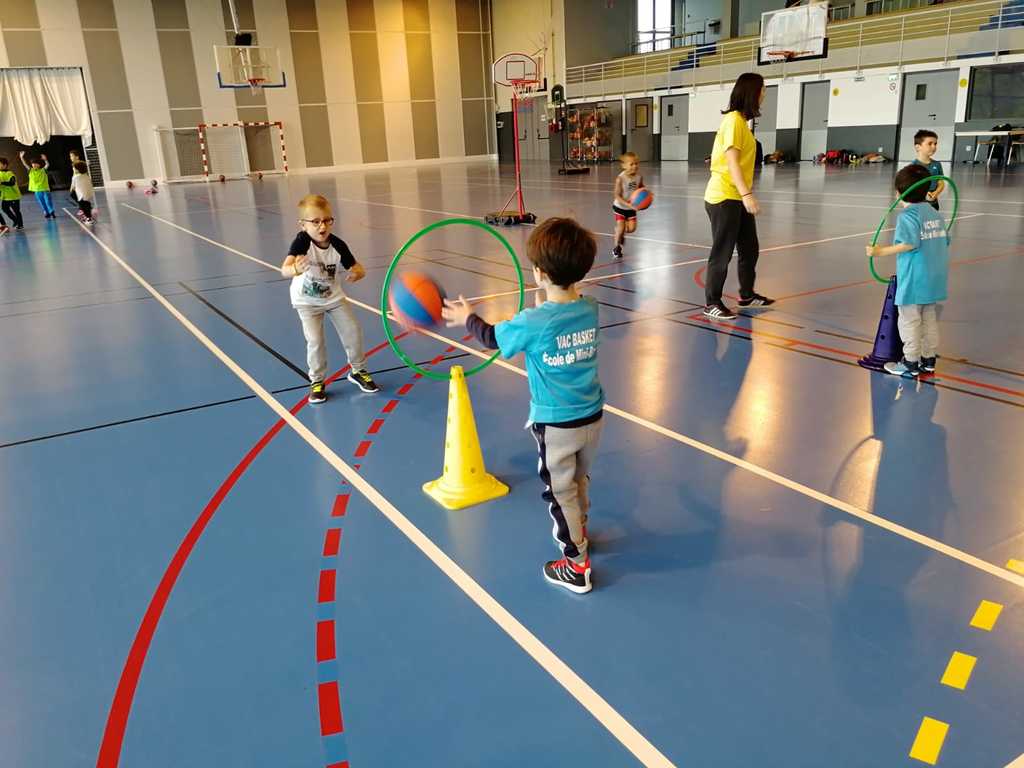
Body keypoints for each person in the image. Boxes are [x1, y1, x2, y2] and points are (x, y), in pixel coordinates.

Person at [442, 218, 603, 594]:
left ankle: (576, 565)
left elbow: (492, 338)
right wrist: (544, 307)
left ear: (539, 273)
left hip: (556, 423)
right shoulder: (590, 307)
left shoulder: (534, 321)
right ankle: (579, 531)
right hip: (592, 416)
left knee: (559, 492)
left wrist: (466, 317)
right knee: (578, 480)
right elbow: (559, 322)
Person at [280, 194, 379, 403]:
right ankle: (317, 381)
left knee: (352, 331)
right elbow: (284, 269)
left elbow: (358, 267)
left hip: (333, 298)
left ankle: (358, 371)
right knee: (315, 341)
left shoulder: (337, 244)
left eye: (327, 220)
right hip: (306, 302)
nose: (322, 226)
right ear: (303, 225)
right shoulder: (302, 242)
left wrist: (358, 273)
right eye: (315, 222)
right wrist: (296, 268)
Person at [866, 164, 950, 378]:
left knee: (909, 320)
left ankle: (911, 362)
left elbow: (909, 243)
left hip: (914, 279)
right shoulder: (935, 213)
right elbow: (945, 240)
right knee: (929, 319)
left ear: (898, 193)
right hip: (934, 278)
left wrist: (879, 251)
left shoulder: (907, 216)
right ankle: (928, 360)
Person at [703, 72, 774, 320]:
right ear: (752, 92)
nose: (764, 94)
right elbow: (732, 162)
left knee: (749, 248)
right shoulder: (733, 121)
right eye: (762, 89)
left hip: (737, 196)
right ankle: (711, 302)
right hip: (725, 197)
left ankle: (746, 295)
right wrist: (747, 194)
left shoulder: (741, 123)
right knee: (722, 252)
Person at [611, 151, 644, 259]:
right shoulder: (620, 179)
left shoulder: (639, 177)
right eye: (631, 164)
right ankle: (616, 248)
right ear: (624, 166)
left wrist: (647, 194)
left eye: (636, 163)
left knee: (632, 229)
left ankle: (619, 231)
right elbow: (617, 196)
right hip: (620, 207)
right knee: (621, 226)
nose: (634, 166)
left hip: (631, 208)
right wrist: (628, 205)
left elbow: (641, 188)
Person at [912, 129, 944, 211]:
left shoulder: (937, 164)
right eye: (930, 144)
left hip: (933, 203)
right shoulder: (913, 166)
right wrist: (924, 193)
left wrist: (936, 192)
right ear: (918, 147)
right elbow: (911, 186)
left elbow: (941, 182)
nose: (934, 147)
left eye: (935, 144)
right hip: (918, 204)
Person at [19, 151, 55, 219]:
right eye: (33, 164)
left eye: (36, 164)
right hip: (37, 190)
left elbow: (47, 165)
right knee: (42, 202)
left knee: (48, 201)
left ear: (39, 165)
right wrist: (21, 158)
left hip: (45, 189)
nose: (34, 165)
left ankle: (51, 211)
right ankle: (46, 212)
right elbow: (25, 164)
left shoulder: (43, 170)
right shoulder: (31, 171)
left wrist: (45, 160)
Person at [0, 157, 21, 233]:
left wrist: (2, 183)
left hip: (13, 196)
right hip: (5, 196)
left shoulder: (10, 173)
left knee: (16, 211)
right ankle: (15, 220)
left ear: (5, 165)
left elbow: (12, 183)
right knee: (4, 208)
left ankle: (20, 224)